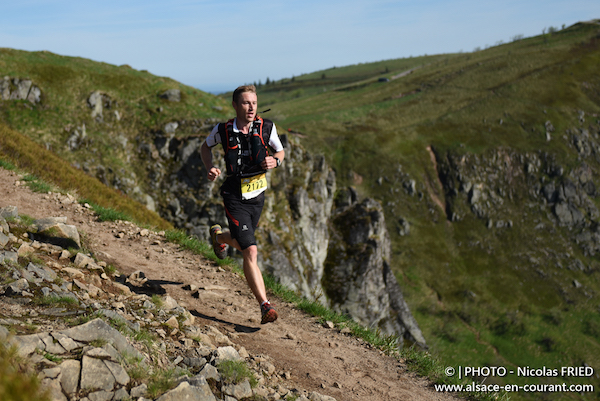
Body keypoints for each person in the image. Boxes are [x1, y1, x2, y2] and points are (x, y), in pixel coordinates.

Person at [200, 85, 284, 324]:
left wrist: (274, 162)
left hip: (257, 197)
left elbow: (280, 152)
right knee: (250, 249)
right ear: (235, 105)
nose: (251, 107)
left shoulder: (267, 127)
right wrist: (210, 167)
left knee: (240, 242)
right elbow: (205, 147)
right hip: (234, 196)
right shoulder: (223, 130)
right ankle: (265, 305)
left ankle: (218, 238)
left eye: (254, 103)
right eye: (246, 103)